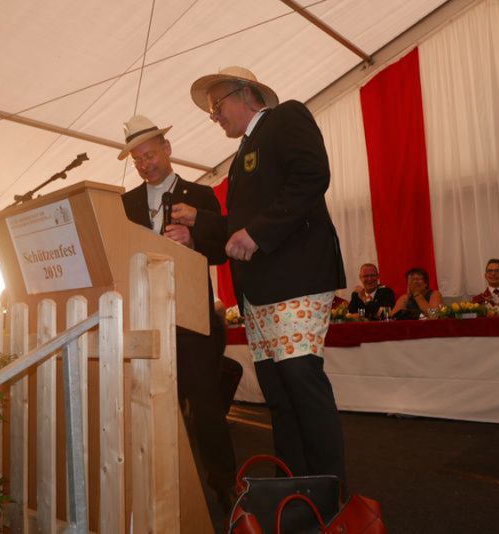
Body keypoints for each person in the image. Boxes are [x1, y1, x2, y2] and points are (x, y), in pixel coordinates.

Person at [173, 66, 347, 484]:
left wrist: (257, 233)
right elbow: (240, 227)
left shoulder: (286, 116)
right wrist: (200, 224)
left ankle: (329, 494)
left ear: (246, 93)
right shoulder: (239, 159)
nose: (214, 117)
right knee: (280, 396)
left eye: (217, 105)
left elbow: (312, 175)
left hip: (295, 281)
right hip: (260, 293)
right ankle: (293, 490)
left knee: (302, 385)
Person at [117, 114, 236, 512]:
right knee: (153, 405)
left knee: (206, 405)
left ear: (167, 149)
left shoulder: (200, 194)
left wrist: (194, 238)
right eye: (138, 159)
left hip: (191, 316)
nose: (145, 164)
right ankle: (166, 487)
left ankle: (225, 485)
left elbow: (222, 251)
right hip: (145, 316)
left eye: (150, 155)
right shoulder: (125, 204)